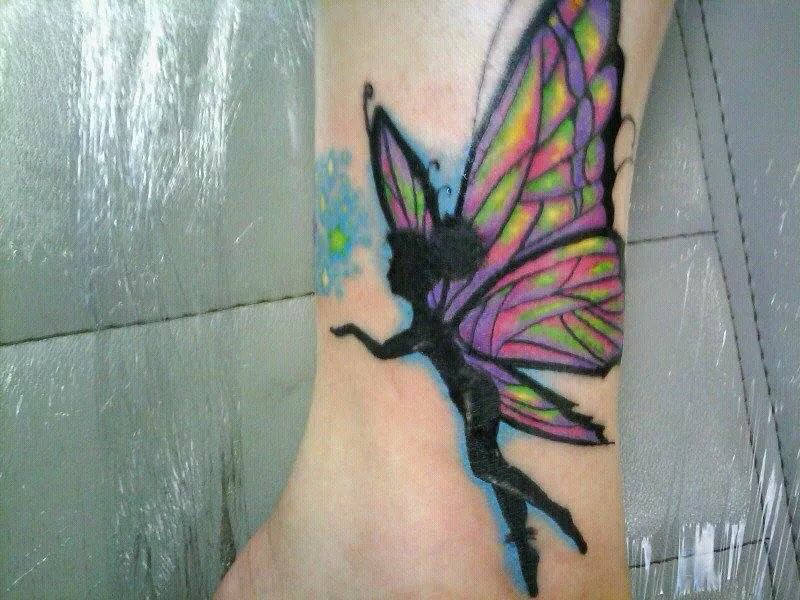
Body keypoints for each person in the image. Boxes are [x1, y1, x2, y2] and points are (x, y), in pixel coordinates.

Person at [217, 1, 672, 597]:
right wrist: (354, 333)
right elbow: (388, 348)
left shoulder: (432, 322)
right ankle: (528, 540)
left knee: (485, 468)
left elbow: (388, 350)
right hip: (488, 377)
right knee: (490, 468)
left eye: (396, 264)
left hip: (480, 393)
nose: (391, 268)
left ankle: (468, 542)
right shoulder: (435, 316)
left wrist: (355, 333)